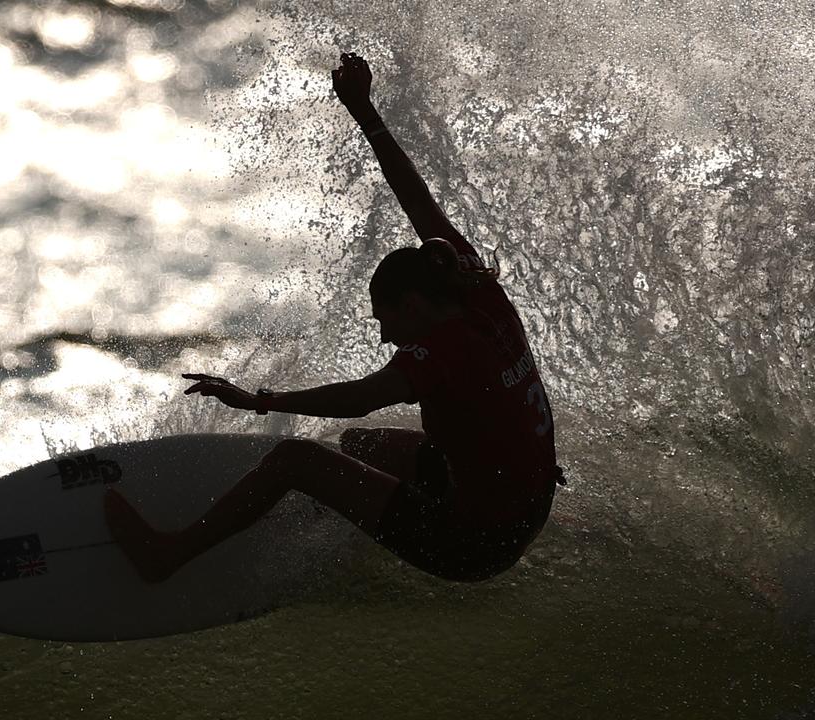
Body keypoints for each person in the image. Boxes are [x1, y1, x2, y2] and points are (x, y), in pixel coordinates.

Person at [104, 51, 562, 584]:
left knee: (294, 459)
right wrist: (364, 112)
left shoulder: (442, 350)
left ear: (412, 305)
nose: (386, 334)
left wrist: (260, 401)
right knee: (361, 445)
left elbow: (359, 397)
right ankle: (349, 508)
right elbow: (416, 199)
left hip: (471, 544)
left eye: (385, 321)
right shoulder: (478, 292)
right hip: (528, 507)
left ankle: (167, 556)